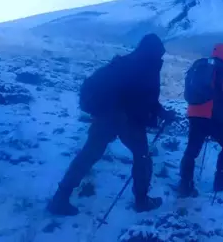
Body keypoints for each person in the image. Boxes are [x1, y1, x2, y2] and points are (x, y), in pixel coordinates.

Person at [48, 34, 173, 216]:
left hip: (105, 116)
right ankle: (141, 200)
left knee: (88, 155)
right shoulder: (148, 66)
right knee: (142, 157)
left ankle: (60, 197)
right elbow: (147, 100)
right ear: (155, 52)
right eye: (160, 54)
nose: (160, 58)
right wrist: (163, 114)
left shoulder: (124, 62)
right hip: (127, 119)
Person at [178, 43, 223, 197]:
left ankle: (185, 184)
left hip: (194, 112)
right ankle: (221, 181)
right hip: (214, 115)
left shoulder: (199, 65)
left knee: (192, 150)